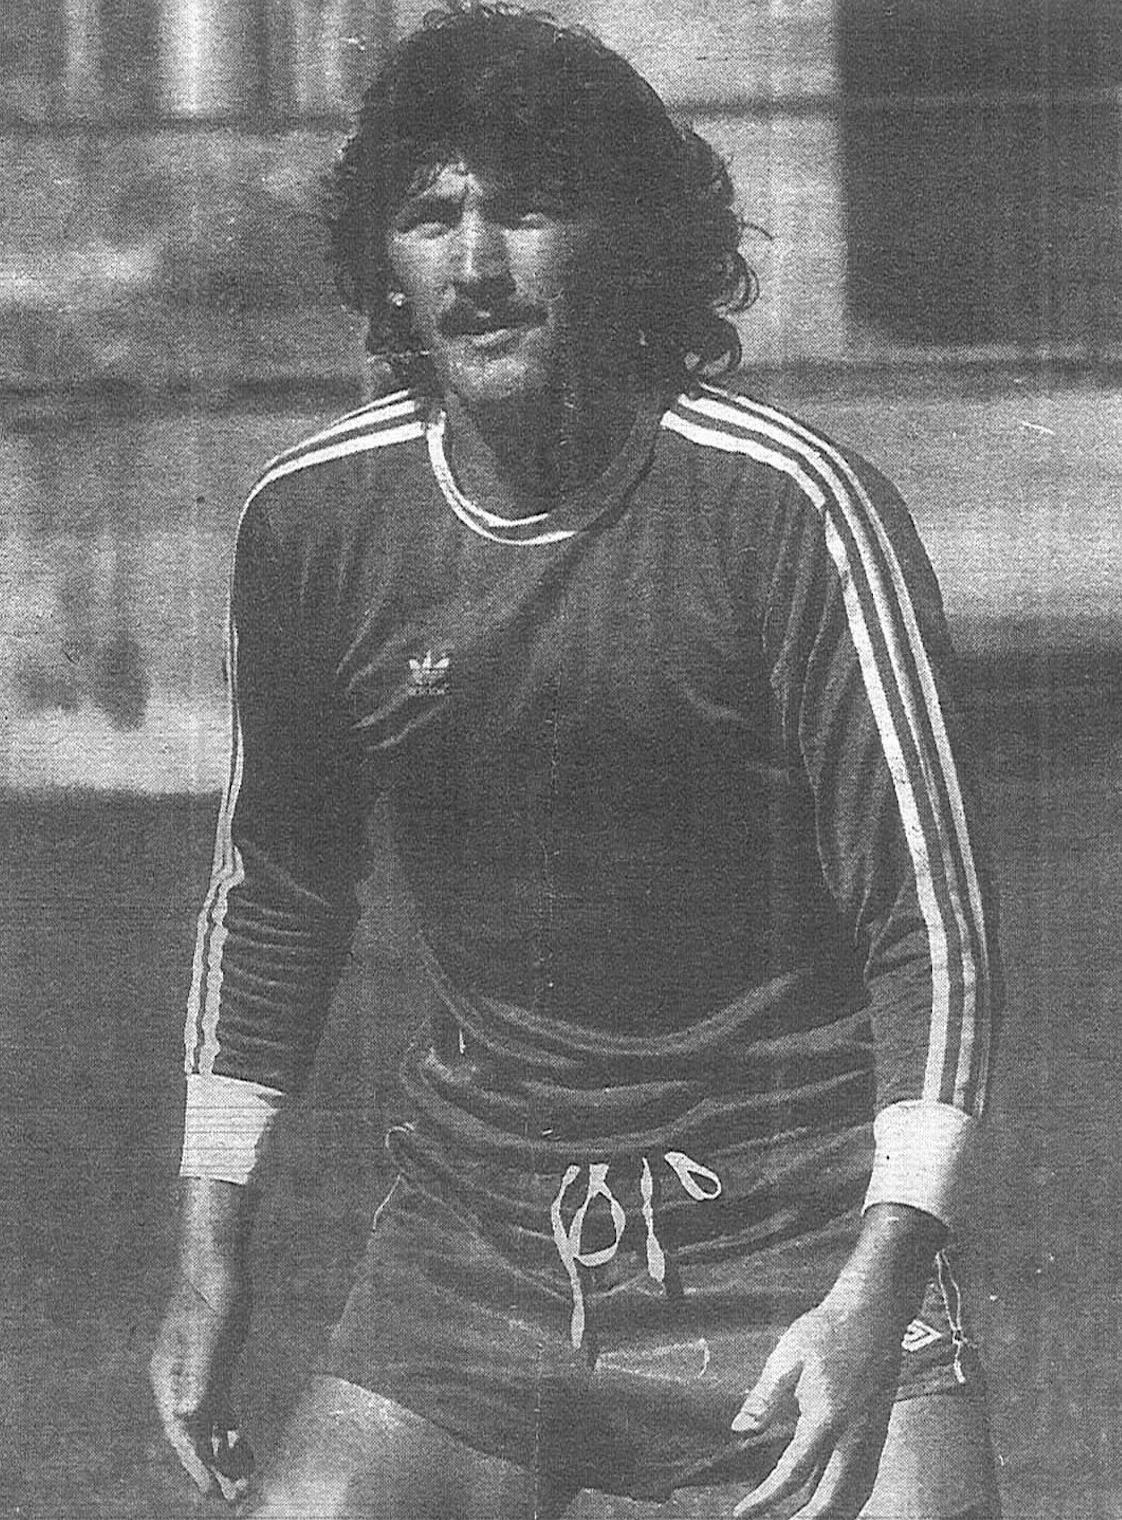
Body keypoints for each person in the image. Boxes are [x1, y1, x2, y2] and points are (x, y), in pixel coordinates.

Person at [150, 7, 1002, 1517]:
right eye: (431, 215)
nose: (474, 263)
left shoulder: (793, 510)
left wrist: (877, 1290)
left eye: (527, 209)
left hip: (800, 1237)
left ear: (630, 243)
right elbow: (275, 893)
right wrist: (212, 1258)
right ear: (385, 265)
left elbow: (930, 935)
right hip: (477, 1246)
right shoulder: (312, 524)